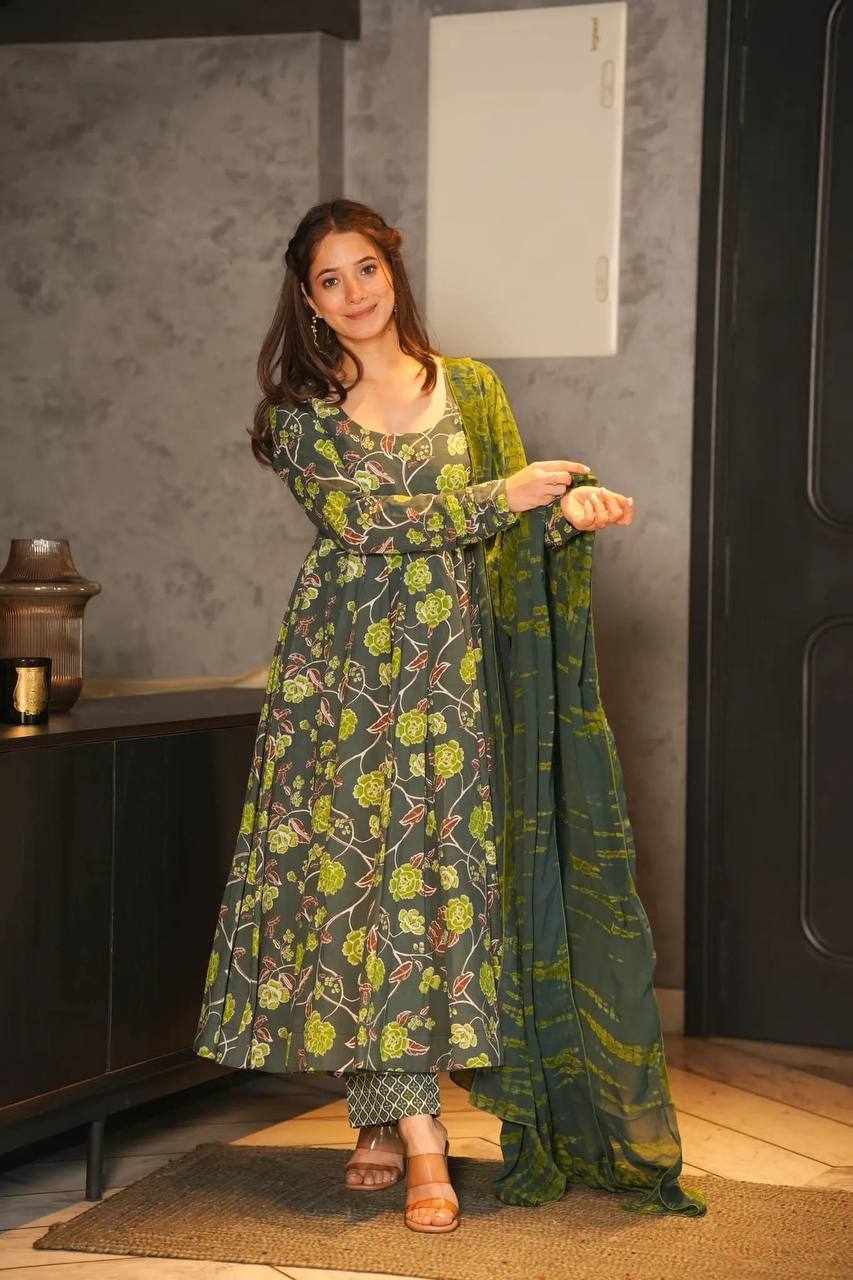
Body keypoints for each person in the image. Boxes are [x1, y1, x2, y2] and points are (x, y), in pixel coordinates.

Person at [194, 197, 637, 1234]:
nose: (353, 292)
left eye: (366, 268)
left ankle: (379, 1119)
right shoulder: (298, 418)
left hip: (451, 676)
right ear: (307, 301)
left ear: (393, 270)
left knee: (432, 886)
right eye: (329, 280)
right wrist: (506, 495)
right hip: (342, 679)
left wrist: (566, 514)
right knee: (359, 883)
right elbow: (367, 523)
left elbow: (509, 536)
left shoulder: (470, 389)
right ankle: (421, 1137)